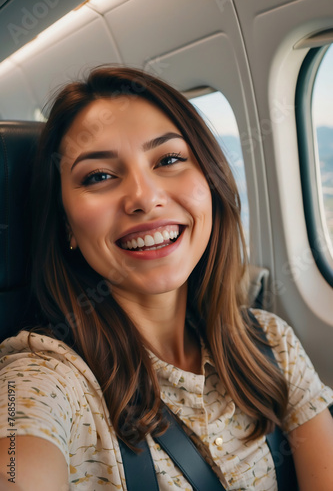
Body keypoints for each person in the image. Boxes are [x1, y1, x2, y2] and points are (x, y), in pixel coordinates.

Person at [0, 66, 332, 491]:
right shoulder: (40, 380)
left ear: (210, 182)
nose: (144, 197)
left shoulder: (272, 345)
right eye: (99, 176)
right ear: (65, 224)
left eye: (169, 159)